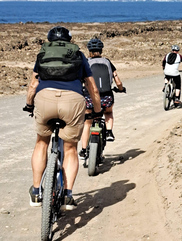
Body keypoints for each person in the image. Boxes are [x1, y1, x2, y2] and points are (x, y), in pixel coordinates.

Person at [25, 26, 101, 210]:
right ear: (70, 40)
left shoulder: (42, 53)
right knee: (70, 149)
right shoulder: (79, 55)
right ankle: (67, 195)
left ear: (49, 40)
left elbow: (33, 85)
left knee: (41, 142)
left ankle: (36, 192)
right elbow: (92, 88)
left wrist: (29, 104)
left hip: (45, 99)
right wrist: (97, 110)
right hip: (72, 102)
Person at [79, 38, 125, 159]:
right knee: (108, 112)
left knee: (87, 122)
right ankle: (109, 132)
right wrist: (121, 88)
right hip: (106, 96)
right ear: (101, 49)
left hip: (89, 97)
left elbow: (80, 80)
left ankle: (83, 150)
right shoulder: (107, 62)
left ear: (89, 50)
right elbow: (117, 79)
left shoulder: (86, 62)